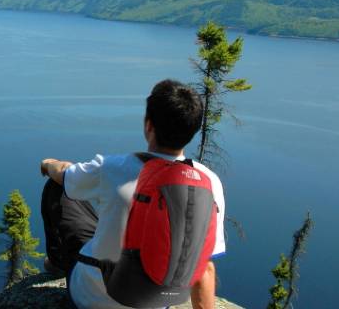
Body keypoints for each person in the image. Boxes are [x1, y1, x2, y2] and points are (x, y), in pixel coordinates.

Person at [39, 79, 226, 309]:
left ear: (149, 125)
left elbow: (64, 174)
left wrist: (48, 164)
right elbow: (205, 268)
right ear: (193, 131)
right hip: (153, 303)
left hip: (90, 298)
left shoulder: (113, 168)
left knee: (59, 188)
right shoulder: (208, 183)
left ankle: (58, 264)